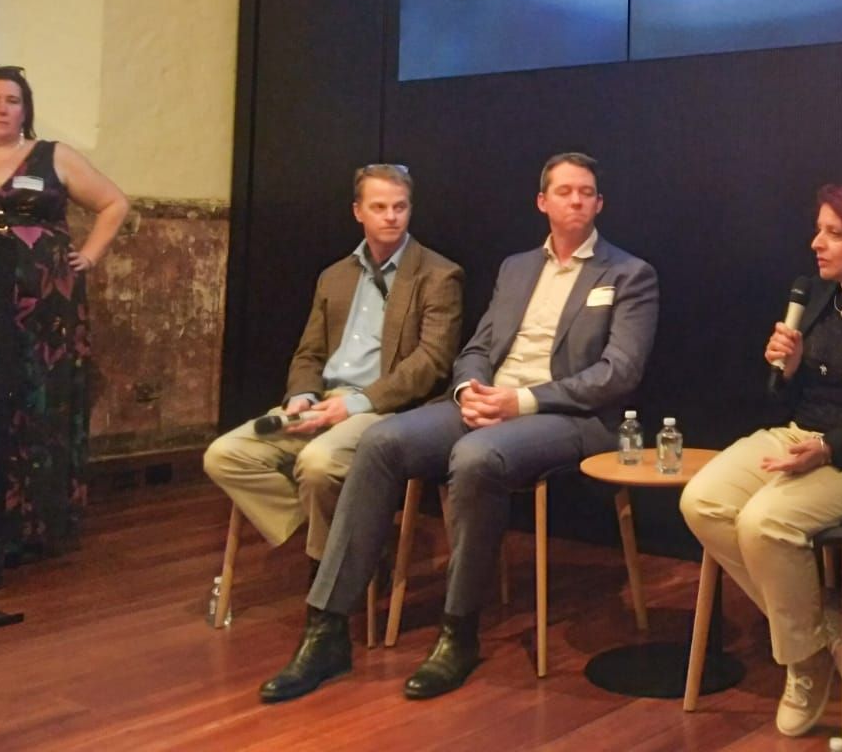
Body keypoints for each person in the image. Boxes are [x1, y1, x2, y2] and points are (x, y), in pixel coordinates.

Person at [259, 152, 658, 703]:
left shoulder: (629, 274)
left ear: (600, 203)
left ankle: (458, 632)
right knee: (381, 441)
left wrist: (520, 401)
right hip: (492, 400)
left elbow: (618, 373)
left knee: (475, 457)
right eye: (564, 191)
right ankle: (326, 630)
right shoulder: (518, 267)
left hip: (572, 417)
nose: (575, 200)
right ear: (542, 202)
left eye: (586, 192)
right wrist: (470, 388)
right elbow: (476, 348)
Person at [680, 181, 842, 738]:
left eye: (833, 233)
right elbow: (782, 400)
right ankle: (822, 626)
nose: (816, 244)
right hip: (801, 433)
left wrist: (832, 447)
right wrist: (788, 368)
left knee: (764, 522)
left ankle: (803, 667)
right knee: (702, 500)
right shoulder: (817, 297)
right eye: (818, 229)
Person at [202, 165, 463, 571]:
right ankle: (346, 540)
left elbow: (431, 363)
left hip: (383, 408)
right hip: (321, 402)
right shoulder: (335, 276)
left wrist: (355, 404)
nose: (391, 216)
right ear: (358, 211)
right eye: (379, 207)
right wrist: (301, 396)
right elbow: (309, 353)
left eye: (400, 207)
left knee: (318, 464)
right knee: (225, 454)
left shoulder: (438, 275)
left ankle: (329, 574)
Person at [0, 65, 128, 559]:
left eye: (12, 100)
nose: (2, 108)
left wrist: (90, 255)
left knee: (42, 396)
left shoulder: (54, 156)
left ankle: (40, 520)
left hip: (48, 304)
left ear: (24, 110)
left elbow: (114, 203)